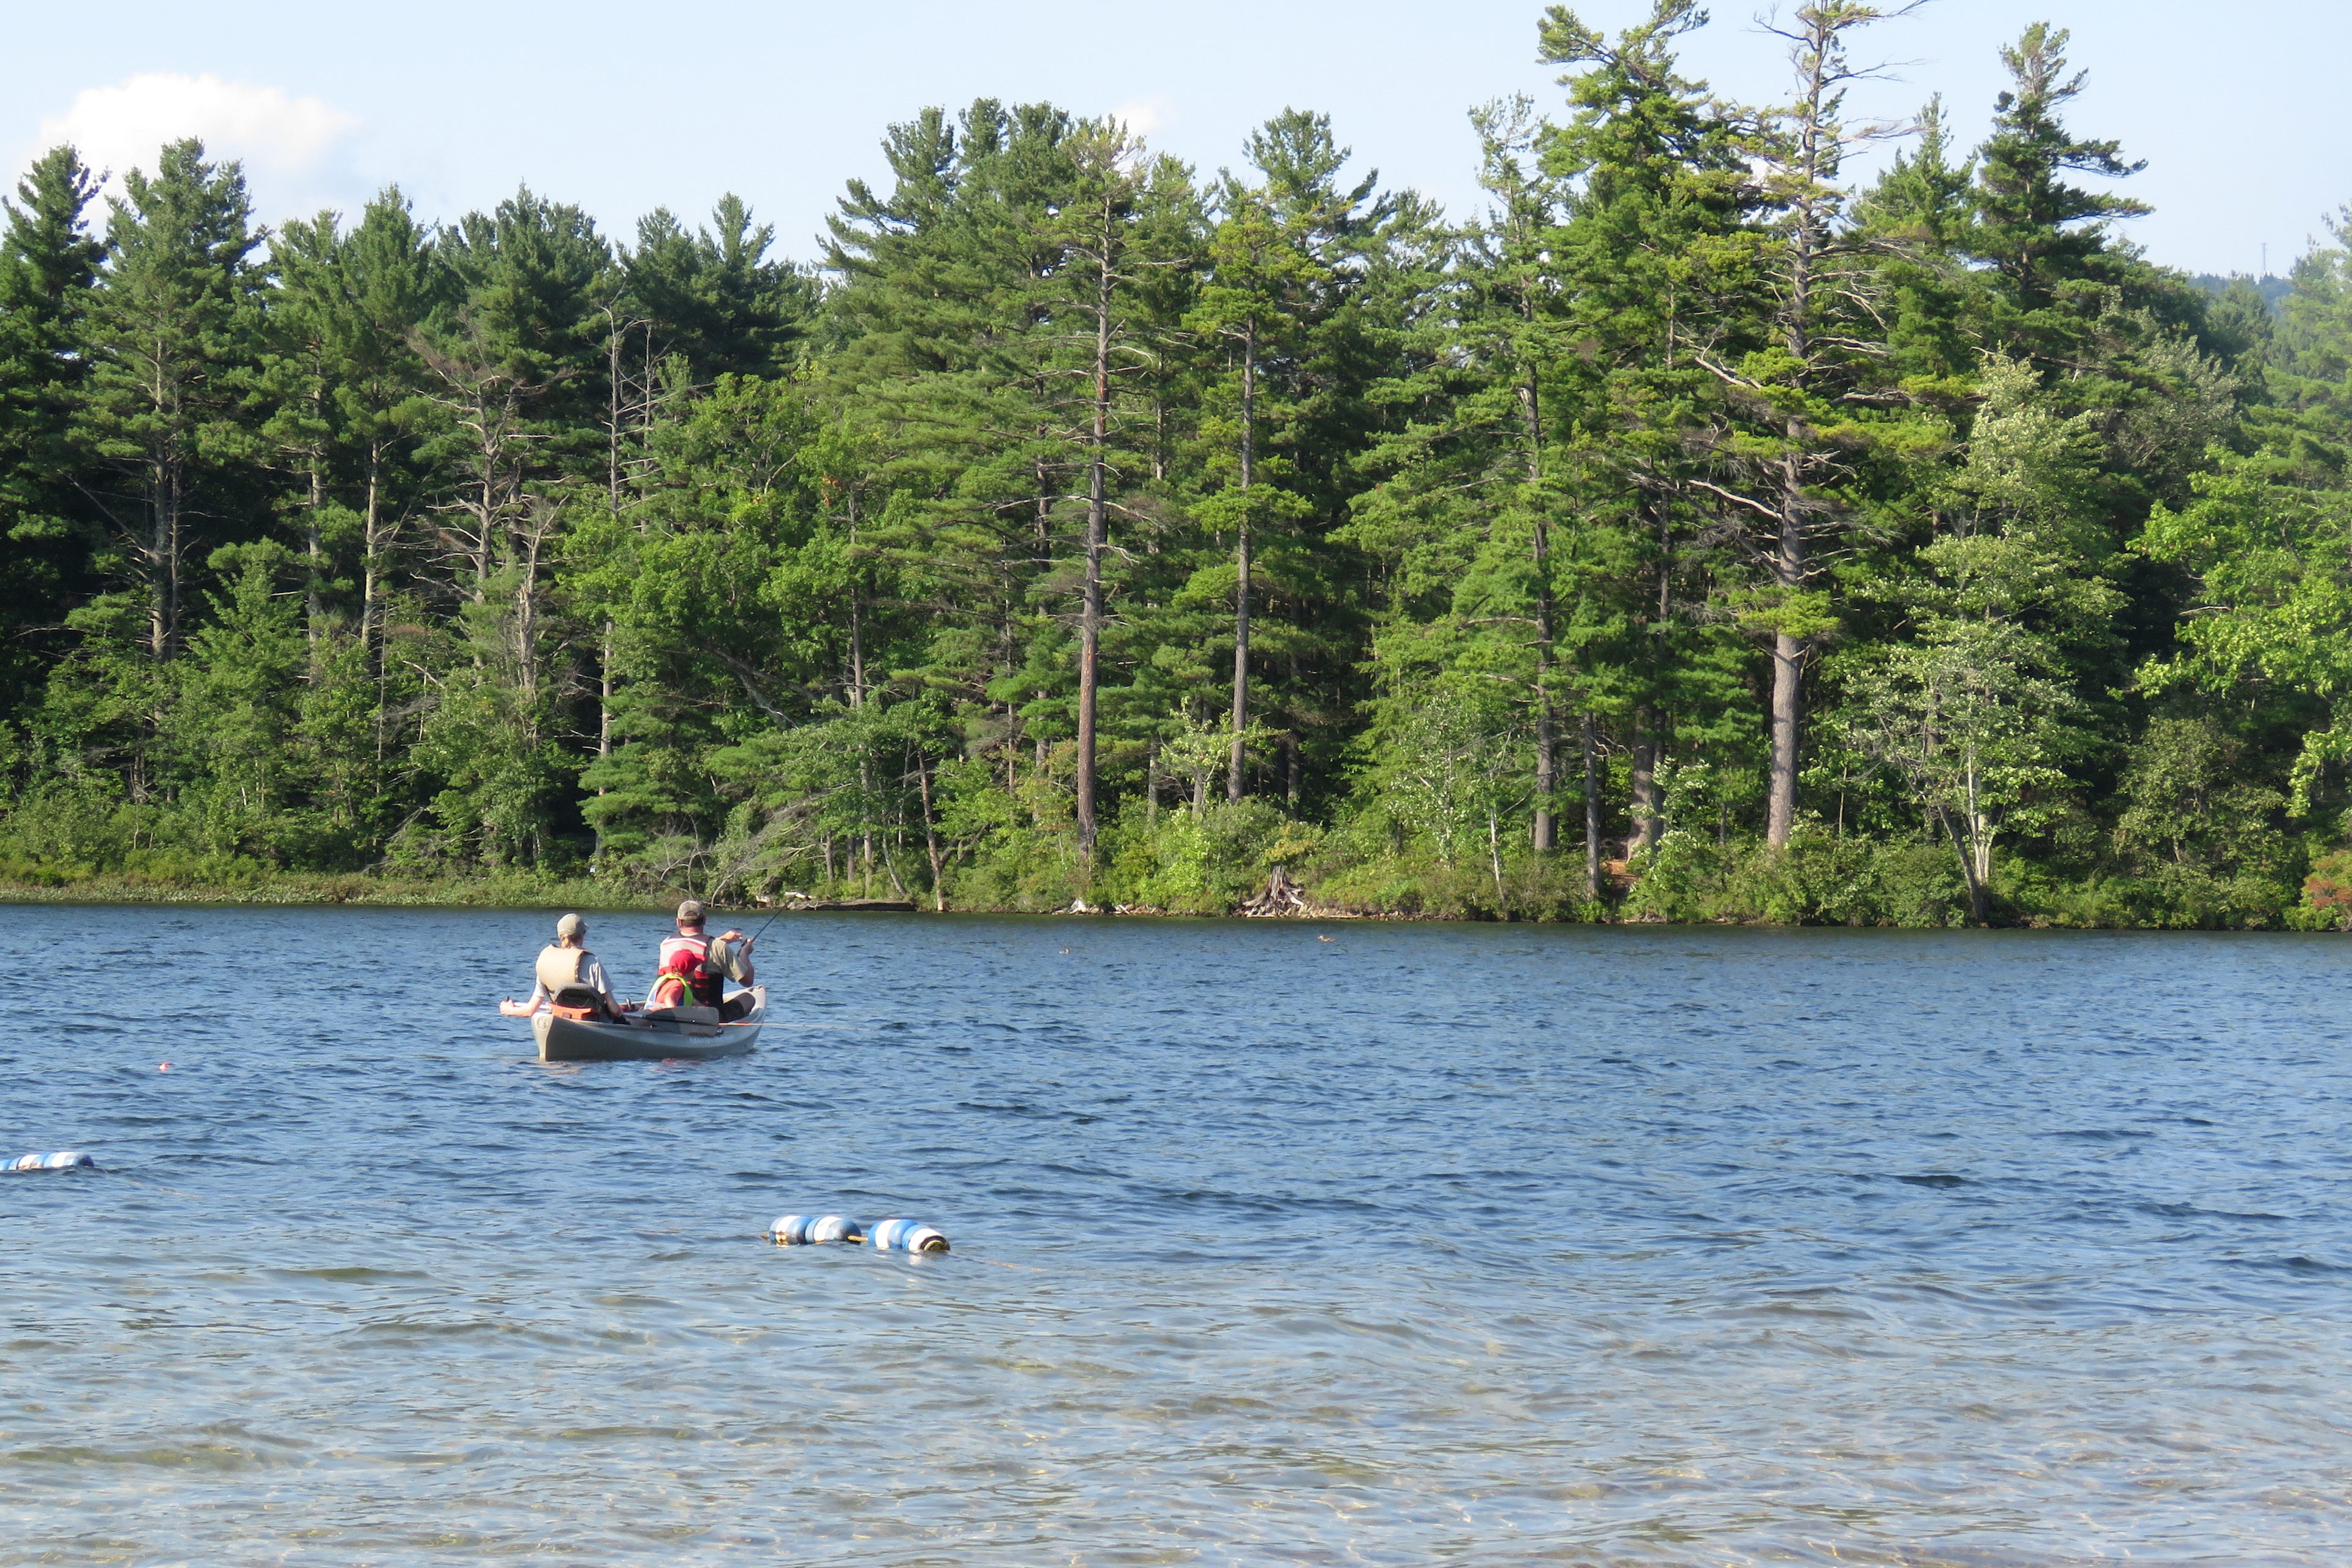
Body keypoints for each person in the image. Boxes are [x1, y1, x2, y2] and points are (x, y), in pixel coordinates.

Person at [500, 913, 625, 1020]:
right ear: (582, 936)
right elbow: (614, 1010)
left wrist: (509, 1009)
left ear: (560, 936)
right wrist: (624, 1016)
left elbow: (530, 1010)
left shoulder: (546, 961)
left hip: (561, 1019)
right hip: (592, 1022)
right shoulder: (592, 962)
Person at [651, 899, 757, 1020]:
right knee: (749, 998)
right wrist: (745, 954)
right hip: (707, 1017)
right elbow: (747, 981)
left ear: (678, 922)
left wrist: (723, 939)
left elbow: (693, 947)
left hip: (671, 1009)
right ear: (705, 920)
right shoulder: (718, 947)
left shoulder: (666, 944)